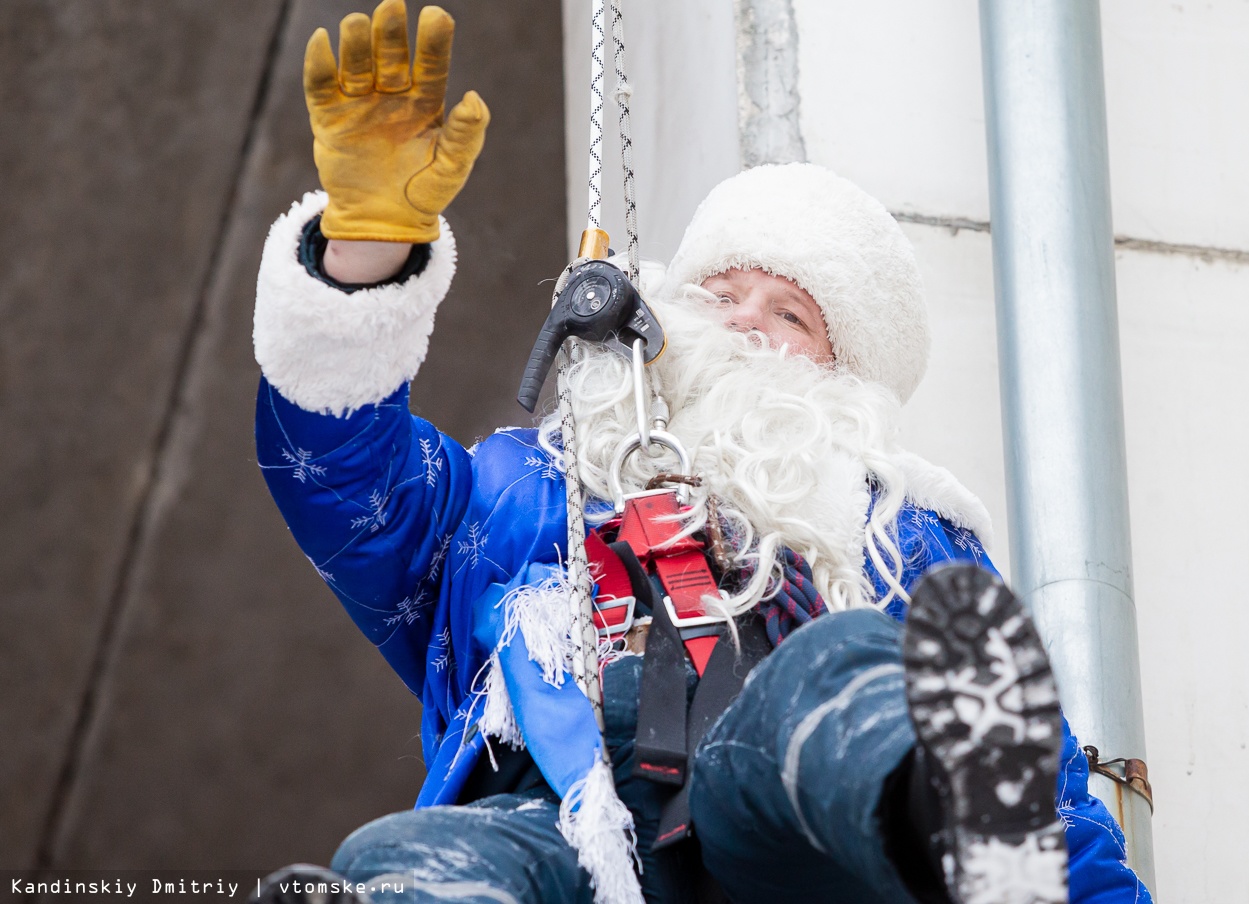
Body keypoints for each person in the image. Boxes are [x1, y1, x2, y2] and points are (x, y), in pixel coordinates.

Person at [250, 2, 1152, 903]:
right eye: (723, 292)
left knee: (830, 673)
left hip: (789, 839)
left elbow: (1047, 810)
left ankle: (915, 809)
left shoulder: (904, 539)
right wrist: (359, 258)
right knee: (409, 860)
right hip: (560, 813)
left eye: (790, 313)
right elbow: (344, 477)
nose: (745, 323)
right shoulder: (524, 492)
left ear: (848, 377)